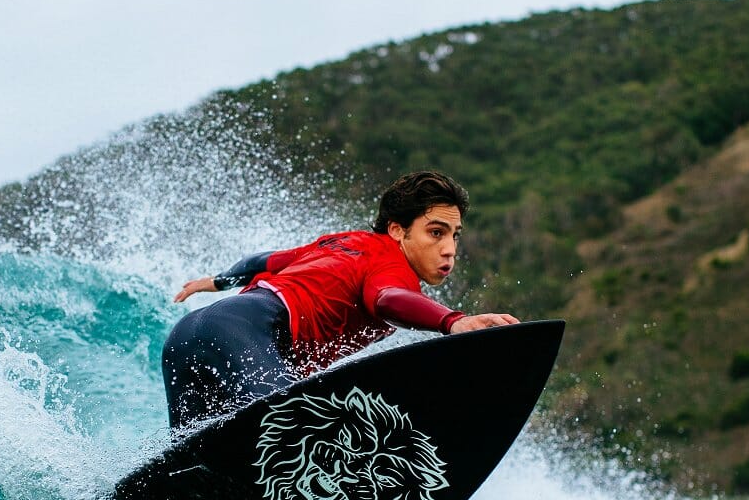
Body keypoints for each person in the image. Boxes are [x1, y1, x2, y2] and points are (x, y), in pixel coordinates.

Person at [162, 170, 518, 430]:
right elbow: (387, 299)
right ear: (397, 230)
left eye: (455, 236)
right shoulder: (390, 263)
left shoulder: (343, 242)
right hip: (246, 334)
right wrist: (452, 321)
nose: (450, 250)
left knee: (196, 458)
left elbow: (266, 261)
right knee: (289, 433)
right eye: (436, 232)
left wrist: (217, 281)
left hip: (189, 335)